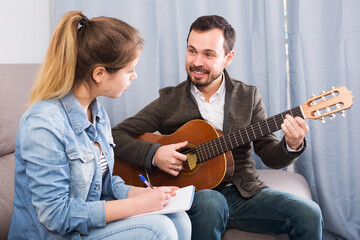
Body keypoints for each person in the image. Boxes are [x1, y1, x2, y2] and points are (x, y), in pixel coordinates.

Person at [112, 15, 323, 240]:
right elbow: (115, 136)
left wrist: (291, 145)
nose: (197, 62)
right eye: (192, 51)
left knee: (310, 214)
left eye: (208, 54)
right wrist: (155, 154)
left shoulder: (248, 96)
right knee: (212, 202)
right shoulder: (169, 101)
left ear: (228, 58)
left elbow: (269, 154)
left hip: (242, 192)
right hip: (193, 196)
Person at [8, 10, 191, 240]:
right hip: (56, 235)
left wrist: (148, 195)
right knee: (159, 229)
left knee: (179, 219)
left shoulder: (97, 113)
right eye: (130, 70)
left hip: (84, 227)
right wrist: (139, 205)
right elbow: (56, 215)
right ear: (100, 74)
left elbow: (104, 185)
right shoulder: (43, 125)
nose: (134, 77)